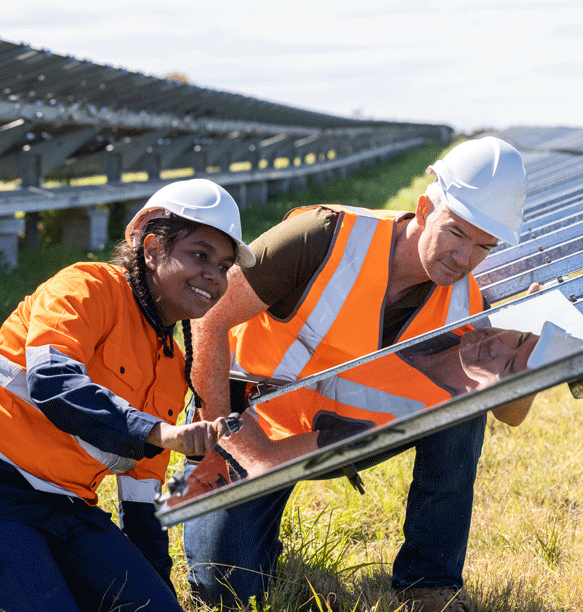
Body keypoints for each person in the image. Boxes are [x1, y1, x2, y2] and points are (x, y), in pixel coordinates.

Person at [184, 136, 530, 612]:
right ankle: (251, 527)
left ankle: (429, 583)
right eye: (455, 232)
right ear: (425, 207)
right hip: (250, 421)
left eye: (482, 246)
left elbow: (510, 414)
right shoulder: (320, 237)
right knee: (224, 588)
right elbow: (209, 317)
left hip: (345, 429)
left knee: (464, 405)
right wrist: (224, 442)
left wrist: (532, 343)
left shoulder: (470, 301)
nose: (463, 258)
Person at [0, 179, 254, 612]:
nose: (214, 275)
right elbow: (53, 382)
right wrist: (159, 432)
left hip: (64, 507)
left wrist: (160, 592)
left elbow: (141, 505)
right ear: (151, 249)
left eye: (224, 266)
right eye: (200, 255)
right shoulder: (86, 287)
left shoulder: (171, 368)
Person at [165, 324, 544, 508]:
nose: (497, 345)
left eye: (507, 365)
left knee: (227, 583)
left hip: (273, 443)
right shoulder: (459, 301)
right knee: (221, 579)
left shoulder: (433, 402)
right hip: (226, 389)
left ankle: (429, 583)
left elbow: (512, 414)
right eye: (519, 338)